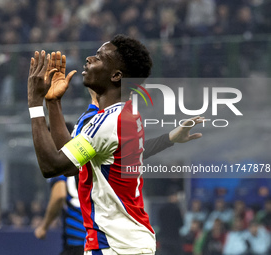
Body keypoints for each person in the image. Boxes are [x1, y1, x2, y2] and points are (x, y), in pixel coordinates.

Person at [27, 34, 204, 254]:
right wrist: (53, 103)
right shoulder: (121, 115)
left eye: (99, 57)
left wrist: (35, 103)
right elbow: (73, 165)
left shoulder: (110, 121)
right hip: (124, 242)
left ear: (116, 75)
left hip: (115, 246)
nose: (90, 59)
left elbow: (52, 166)